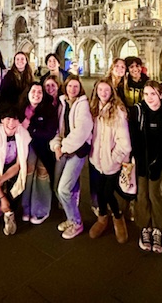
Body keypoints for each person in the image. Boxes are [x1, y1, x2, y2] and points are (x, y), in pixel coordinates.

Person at [132, 80, 162, 254]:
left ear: (161, 95)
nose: (149, 98)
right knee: (142, 194)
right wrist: (138, 159)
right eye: (146, 94)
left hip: (158, 161)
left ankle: (158, 229)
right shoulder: (138, 110)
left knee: (154, 193)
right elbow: (134, 136)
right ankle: (145, 227)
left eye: (153, 94)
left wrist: (160, 161)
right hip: (141, 161)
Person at [50, 74, 93, 240]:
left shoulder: (82, 105)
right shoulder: (63, 104)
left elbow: (82, 131)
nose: (72, 89)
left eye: (76, 86)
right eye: (69, 86)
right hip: (65, 149)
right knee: (68, 187)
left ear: (80, 88)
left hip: (78, 150)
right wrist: (56, 145)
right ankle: (71, 217)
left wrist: (63, 147)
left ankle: (76, 222)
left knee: (63, 189)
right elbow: (58, 130)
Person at [88, 78, 131, 243]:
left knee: (107, 193)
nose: (103, 93)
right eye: (100, 90)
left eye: (107, 90)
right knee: (99, 191)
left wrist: (113, 159)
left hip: (111, 163)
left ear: (112, 92)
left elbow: (124, 143)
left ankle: (118, 218)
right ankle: (102, 218)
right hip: (95, 161)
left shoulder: (118, 111)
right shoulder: (94, 109)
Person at [0, 103, 31, 236]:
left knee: (16, 187)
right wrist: (1, 195)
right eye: (8, 119)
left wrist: (0, 182)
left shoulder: (22, 134)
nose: (11, 123)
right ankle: (4, 209)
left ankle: (8, 212)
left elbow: (18, 165)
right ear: (2, 119)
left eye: (15, 119)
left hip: (10, 170)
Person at [20, 83, 58, 224]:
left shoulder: (49, 109)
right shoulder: (21, 108)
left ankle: (40, 209)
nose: (36, 94)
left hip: (44, 148)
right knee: (28, 173)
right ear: (28, 93)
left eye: (39, 92)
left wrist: (31, 128)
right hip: (27, 147)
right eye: (33, 91)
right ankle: (26, 207)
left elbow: (49, 132)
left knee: (42, 174)